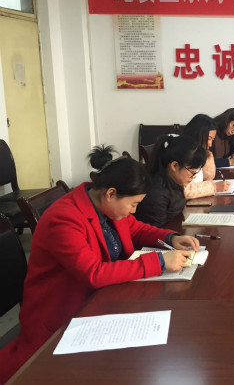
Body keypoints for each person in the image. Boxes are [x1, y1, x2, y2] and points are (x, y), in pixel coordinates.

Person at [0, 145, 199, 383]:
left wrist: (170, 237)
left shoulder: (106, 207)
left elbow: (135, 228)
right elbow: (93, 273)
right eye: (133, 204)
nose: (134, 211)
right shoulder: (64, 218)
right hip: (63, 317)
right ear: (111, 193)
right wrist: (159, 260)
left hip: (100, 300)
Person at [135, 134, 206, 227]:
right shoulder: (157, 194)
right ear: (174, 166)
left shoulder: (173, 181)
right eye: (192, 172)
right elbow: (157, 232)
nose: (194, 177)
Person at [181, 114, 231, 198]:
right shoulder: (182, 153)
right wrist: (214, 187)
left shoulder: (197, 153)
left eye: (212, 140)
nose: (210, 144)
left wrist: (207, 155)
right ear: (197, 134)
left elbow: (209, 177)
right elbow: (183, 190)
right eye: (208, 138)